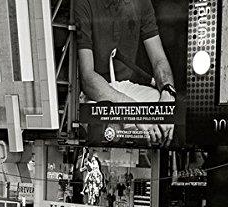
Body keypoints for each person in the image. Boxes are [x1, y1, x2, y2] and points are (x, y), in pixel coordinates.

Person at [75, 0, 176, 146]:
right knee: (97, 120)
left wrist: (168, 97)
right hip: (98, 91)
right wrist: (135, 112)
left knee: (163, 106)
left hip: (127, 88)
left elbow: (159, 60)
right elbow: (88, 78)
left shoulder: (142, 3)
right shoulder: (85, 3)